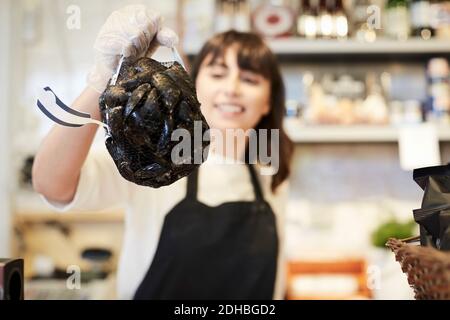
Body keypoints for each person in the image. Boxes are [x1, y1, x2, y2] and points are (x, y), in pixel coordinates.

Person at [32, 5, 293, 299]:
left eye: (249, 79)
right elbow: (50, 184)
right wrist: (103, 78)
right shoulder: (154, 154)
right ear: (193, 84)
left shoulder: (270, 172)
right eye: (218, 74)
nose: (231, 88)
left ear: (269, 101)